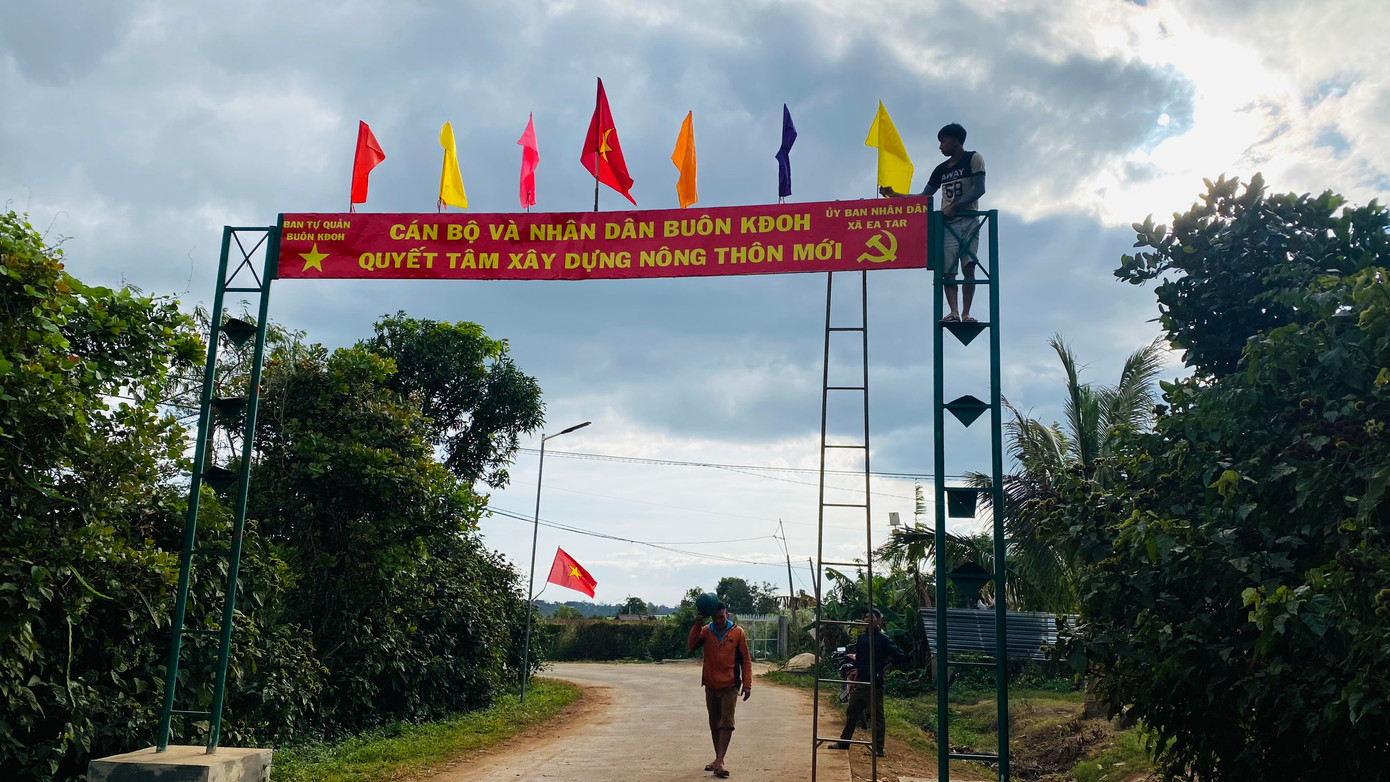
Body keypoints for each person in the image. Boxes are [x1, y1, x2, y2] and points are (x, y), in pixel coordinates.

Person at [879, 123, 987, 323]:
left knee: (969, 267)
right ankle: (953, 312)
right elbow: (924, 197)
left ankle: (966, 313)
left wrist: (955, 205)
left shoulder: (973, 158)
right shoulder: (941, 170)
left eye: (943, 141)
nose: (940, 147)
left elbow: (979, 189)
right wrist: (894, 195)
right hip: (948, 224)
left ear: (955, 140)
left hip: (970, 220)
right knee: (948, 269)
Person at [688, 602, 752, 778]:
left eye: (721, 617)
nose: (718, 621)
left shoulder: (737, 633)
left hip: (730, 686)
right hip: (710, 686)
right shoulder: (706, 631)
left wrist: (747, 684)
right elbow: (691, 644)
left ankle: (720, 760)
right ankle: (718, 759)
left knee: (726, 723)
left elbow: (746, 660)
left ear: (727, 614)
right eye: (715, 618)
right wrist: (697, 624)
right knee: (714, 724)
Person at [829, 609, 905, 756]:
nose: (867, 619)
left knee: (877, 717)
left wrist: (885, 668)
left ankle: (878, 749)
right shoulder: (862, 638)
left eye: (872, 617)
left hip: (875, 684)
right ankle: (844, 742)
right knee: (851, 713)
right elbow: (860, 658)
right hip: (861, 682)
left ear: (879, 621)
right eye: (866, 617)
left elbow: (900, 655)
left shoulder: (883, 639)